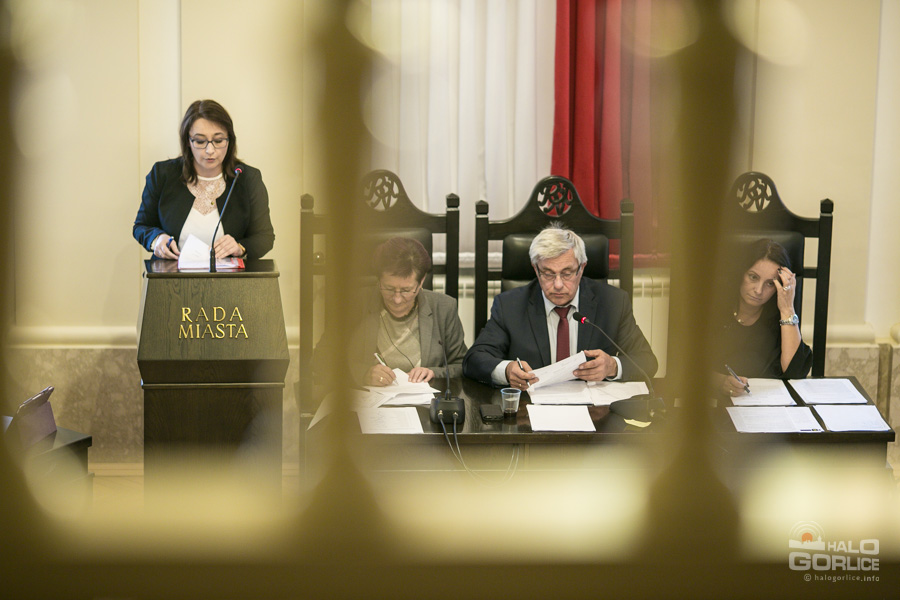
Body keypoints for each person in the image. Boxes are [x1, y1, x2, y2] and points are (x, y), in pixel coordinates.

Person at [463, 223, 657, 389]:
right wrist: (506, 370)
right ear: (536, 269)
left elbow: (647, 360)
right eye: (548, 273)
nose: (557, 284)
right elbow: (474, 359)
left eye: (567, 273)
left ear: (581, 268)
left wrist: (613, 366)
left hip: (594, 411)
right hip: (530, 411)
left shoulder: (612, 302)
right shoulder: (510, 306)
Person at [313, 237, 468, 387]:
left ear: (421, 281)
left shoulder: (444, 308)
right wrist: (363, 374)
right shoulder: (355, 305)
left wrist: (434, 372)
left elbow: (462, 366)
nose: (397, 299)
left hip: (424, 401)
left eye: (406, 290)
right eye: (389, 288)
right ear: (379, 280)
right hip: (370, 400)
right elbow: (320, 360)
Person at [133, 99, 275, 260]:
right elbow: (141, 226)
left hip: (230, 275)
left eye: (218, 141)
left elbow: (265, 237)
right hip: (172, 274)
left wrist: (240, 247)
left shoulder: (247, 178)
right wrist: (157, 239)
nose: (210, 150)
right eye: (200, 141)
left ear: (229, 140)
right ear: (188, 141)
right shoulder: (162, 174)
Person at [717, 238, 812, 397]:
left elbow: (795, 374)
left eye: (770, 284)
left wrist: (787, 308)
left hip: (769, 406)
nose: (759, 290)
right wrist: (719, 382)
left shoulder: (781, 319)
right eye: (753, 277)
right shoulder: (715, 308)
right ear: (741, 273)